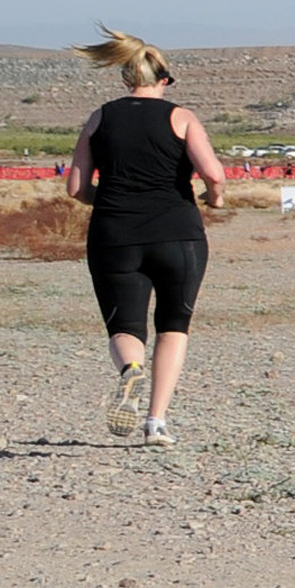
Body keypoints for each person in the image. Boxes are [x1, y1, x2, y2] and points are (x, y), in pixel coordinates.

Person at [60, 29, 226, 444]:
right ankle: (156, 422)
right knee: (174, 325)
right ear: (165, 80)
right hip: (178, 234)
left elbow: (76, 189)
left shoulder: (101, 117)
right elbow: (214, 174)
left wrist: (115, 198)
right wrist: (214, 199)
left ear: (125, 79)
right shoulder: (182, 117)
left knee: (125, 326)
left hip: (114, 233)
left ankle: (130, 371)